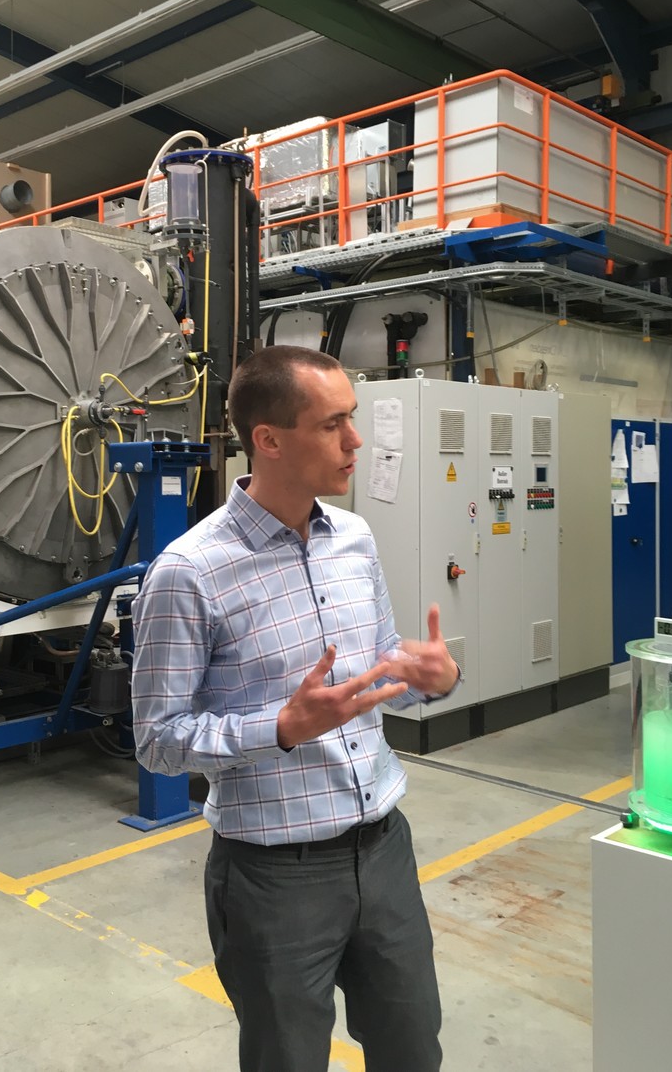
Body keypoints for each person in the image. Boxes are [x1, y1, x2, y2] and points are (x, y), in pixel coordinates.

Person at [131, 345, 460, 1072]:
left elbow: (377, 670)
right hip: (274, 877)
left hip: (383, 850)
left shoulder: (354, 540)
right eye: (332, 424)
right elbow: (156, 741)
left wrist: (427, 677)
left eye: (353, 419)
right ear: (269, 440)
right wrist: (280, 728)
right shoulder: (188, 574)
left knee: (413, 1050)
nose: (355, 441)